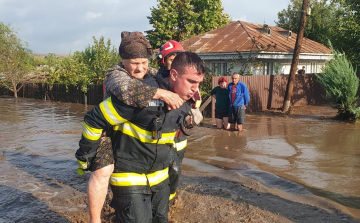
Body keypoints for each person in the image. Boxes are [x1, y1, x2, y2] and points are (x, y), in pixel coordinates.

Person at [76, 51, 205, 222]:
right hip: (129, 177)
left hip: (159, 178)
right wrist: (86, 155)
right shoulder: (140, 95)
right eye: (191, 81)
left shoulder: (185, 98)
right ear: (174, 74)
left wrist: (189, 120)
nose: (195, 89)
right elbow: (94, 119)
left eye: (199, 83)